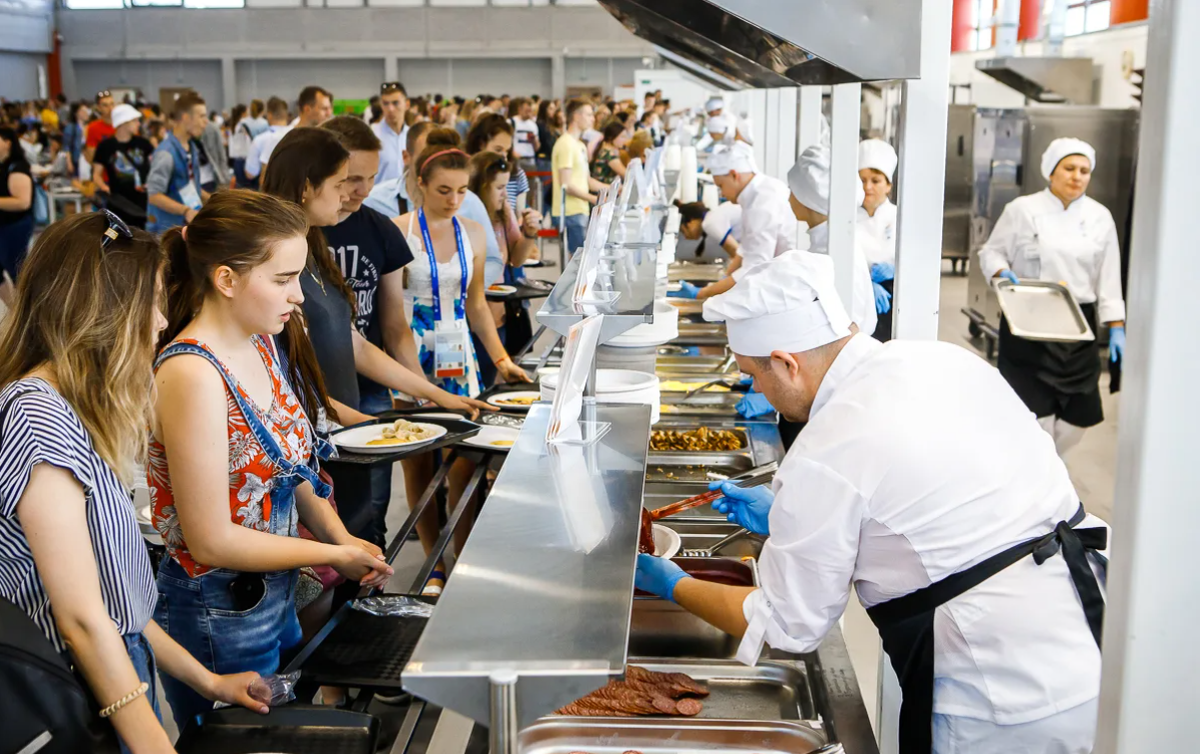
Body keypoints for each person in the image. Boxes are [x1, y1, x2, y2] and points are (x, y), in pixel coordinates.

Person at [636, 250, 1109, 754]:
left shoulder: (827, 447)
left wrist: (672, 582)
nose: (758, 389)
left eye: (755, 374)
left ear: (786, 363)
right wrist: (786, 516)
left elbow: (787, 625)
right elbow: (929, 502)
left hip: (997, 697)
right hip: (1090, 638)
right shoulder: (940, 358)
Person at [0, 212, 276, 754]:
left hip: (115, 668)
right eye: (148, 303)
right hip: (78, 684)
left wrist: (209, 682)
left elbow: (118, 605)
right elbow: (81, 620)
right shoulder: (36, 417)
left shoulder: (72, 410)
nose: (158, 321)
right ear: (102, 313)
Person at [149, 190, 393, 728]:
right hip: (219, 609)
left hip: (274, 594)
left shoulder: (260, 339)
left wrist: (343, 540)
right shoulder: (192, 373)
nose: (300, 295)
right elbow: (210, 538)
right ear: (227, 279)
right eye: (283, 279)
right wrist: (335, 550)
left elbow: (296, 472)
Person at [263, 126, 490, 549]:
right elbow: (276, 384)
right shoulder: (275, 255)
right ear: (307, 187)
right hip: (307, 442)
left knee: (358, 535)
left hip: (332, 432)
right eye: (341, 182)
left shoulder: (310, 247)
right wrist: (372, 423)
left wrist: (434, 396)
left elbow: (355, 343)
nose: (353, 193)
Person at [977, 137, 1125, 457]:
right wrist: (1002, 272)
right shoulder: (1022, 210)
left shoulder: (1100, 217)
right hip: (1028, 319)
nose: (1077, 176)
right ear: (1051, 172)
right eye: (1069, 168)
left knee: (1078, 416)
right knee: (1033, 414)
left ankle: (1050, 466)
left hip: (1077, 323)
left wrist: (1116, 326)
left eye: (1084, 170)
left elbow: (1109, 275)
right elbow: (991, 252)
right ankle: (1036, 475)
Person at [671, 142, 793, 301]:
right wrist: (727, 277)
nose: (722, 193)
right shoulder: (757, 193)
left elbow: (753, 268)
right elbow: (745, 250)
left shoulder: (761, 202)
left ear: (734, 175)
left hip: (787, 281)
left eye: (721, 185)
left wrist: (701, 293)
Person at [786, 144, 878, 338]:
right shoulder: (825, 243)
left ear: (807, 198)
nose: (788, 198)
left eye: (792, 190)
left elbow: (848, 327)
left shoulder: (831, 252)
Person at [469, 151, 539, 376]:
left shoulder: (504, 213)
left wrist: (529, 234)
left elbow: (516, 259)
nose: (505, 195)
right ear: (481, 185)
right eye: (499, 188)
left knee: (493, 374)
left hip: (498, 314)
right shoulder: (466, 216)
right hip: (470, 314)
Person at [146, 92, 209, 235]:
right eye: (202, 116)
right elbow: (154, 196)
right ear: (186, 118)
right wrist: (185, 211)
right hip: (166, 231)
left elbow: (190, 184)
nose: (206, 122)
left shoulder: (191, 147)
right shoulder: (166, 153)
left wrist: (212, 198)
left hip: (184, 227)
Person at [552, 99, 607, 256]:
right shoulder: (565, 144)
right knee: (577, 263)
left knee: (582, 261)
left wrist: (612, 189)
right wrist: (594, 199)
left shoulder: (580, 145)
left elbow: (586, 180)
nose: (593, 119)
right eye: (589, 114)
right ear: (577, 116)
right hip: (570, 212)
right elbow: (566, 185)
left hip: (580, 210)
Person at [857, 138, 900, 342]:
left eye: (875, 180)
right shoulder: (847, 219)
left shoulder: (900, 217)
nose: (867, 187)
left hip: (894, 296)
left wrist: (897, 272)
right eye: (862, 180)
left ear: (888, 185)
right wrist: (867, 284)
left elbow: (918, 264)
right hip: (857, 293)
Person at [247, 86, 332, 181]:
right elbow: (265, 180)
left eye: (330, 108)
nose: (329, 113)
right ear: (307, 109)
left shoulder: (328, 140)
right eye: (324, 109)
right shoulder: (280, 139)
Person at [91, 104, 153, 229]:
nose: (138, 124)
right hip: (118, 204)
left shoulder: (144, 144)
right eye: (135, 120)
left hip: (143, 203)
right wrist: (103, 187)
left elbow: (155, 167)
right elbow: (96, 174)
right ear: (123, 122)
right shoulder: (106, 146)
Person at [0, 127, 34, 306]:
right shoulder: (4, 166)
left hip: (14, 227)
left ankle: (27, 314)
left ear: (8, 143)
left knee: (17, 273)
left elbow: (22, 202)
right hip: (4, 226)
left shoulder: (17, 167)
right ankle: (16, 312)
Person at [675, 199, 741, 262]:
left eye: (683, 231)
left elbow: (739, 256)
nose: (686, 237)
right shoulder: (714, 216)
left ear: (691, 221)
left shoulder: (710, 223)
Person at [243, 96, 291, 183]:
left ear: (269, 115)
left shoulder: (260, 139)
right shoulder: (297, 134)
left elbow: (250, 173)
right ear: (286, 115)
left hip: (270, 191)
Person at [373, 81, 409, 187]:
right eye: (386, 103)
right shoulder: (371, 135)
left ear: (407, 104)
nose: (390, 109)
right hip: (377, 201)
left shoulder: (412, 136)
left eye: (395, 103)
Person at [590, 119, 629, 184]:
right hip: (603, 191)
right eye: (622, 137)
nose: (625, 140)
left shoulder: (603, 150)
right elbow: (627, 175)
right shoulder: (609, 155)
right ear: (611, 137)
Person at [84, 89, 115, 164]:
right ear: (99, 108)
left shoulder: (123, 125)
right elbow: (91, 156)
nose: (110, 108)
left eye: (112, 104)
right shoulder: (93, 128)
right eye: (105, 105)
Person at [61, 101, 90, 177]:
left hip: (87, 159)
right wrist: (69, 162)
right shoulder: (71, 127)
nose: (86, 113)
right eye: (83, 111)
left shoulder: (89, 127)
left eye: (87, 111)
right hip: (76, 160)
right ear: (76, 113)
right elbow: (66, 146)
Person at [509, 96, 539, 162]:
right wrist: (512, 153)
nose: (529, 113)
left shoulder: (533, 125)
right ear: (520, 109)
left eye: (530, 111)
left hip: (530, 159)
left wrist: (534, 141)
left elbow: (537, 147)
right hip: (516, 159)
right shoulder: (511, 122)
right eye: (526, 111)